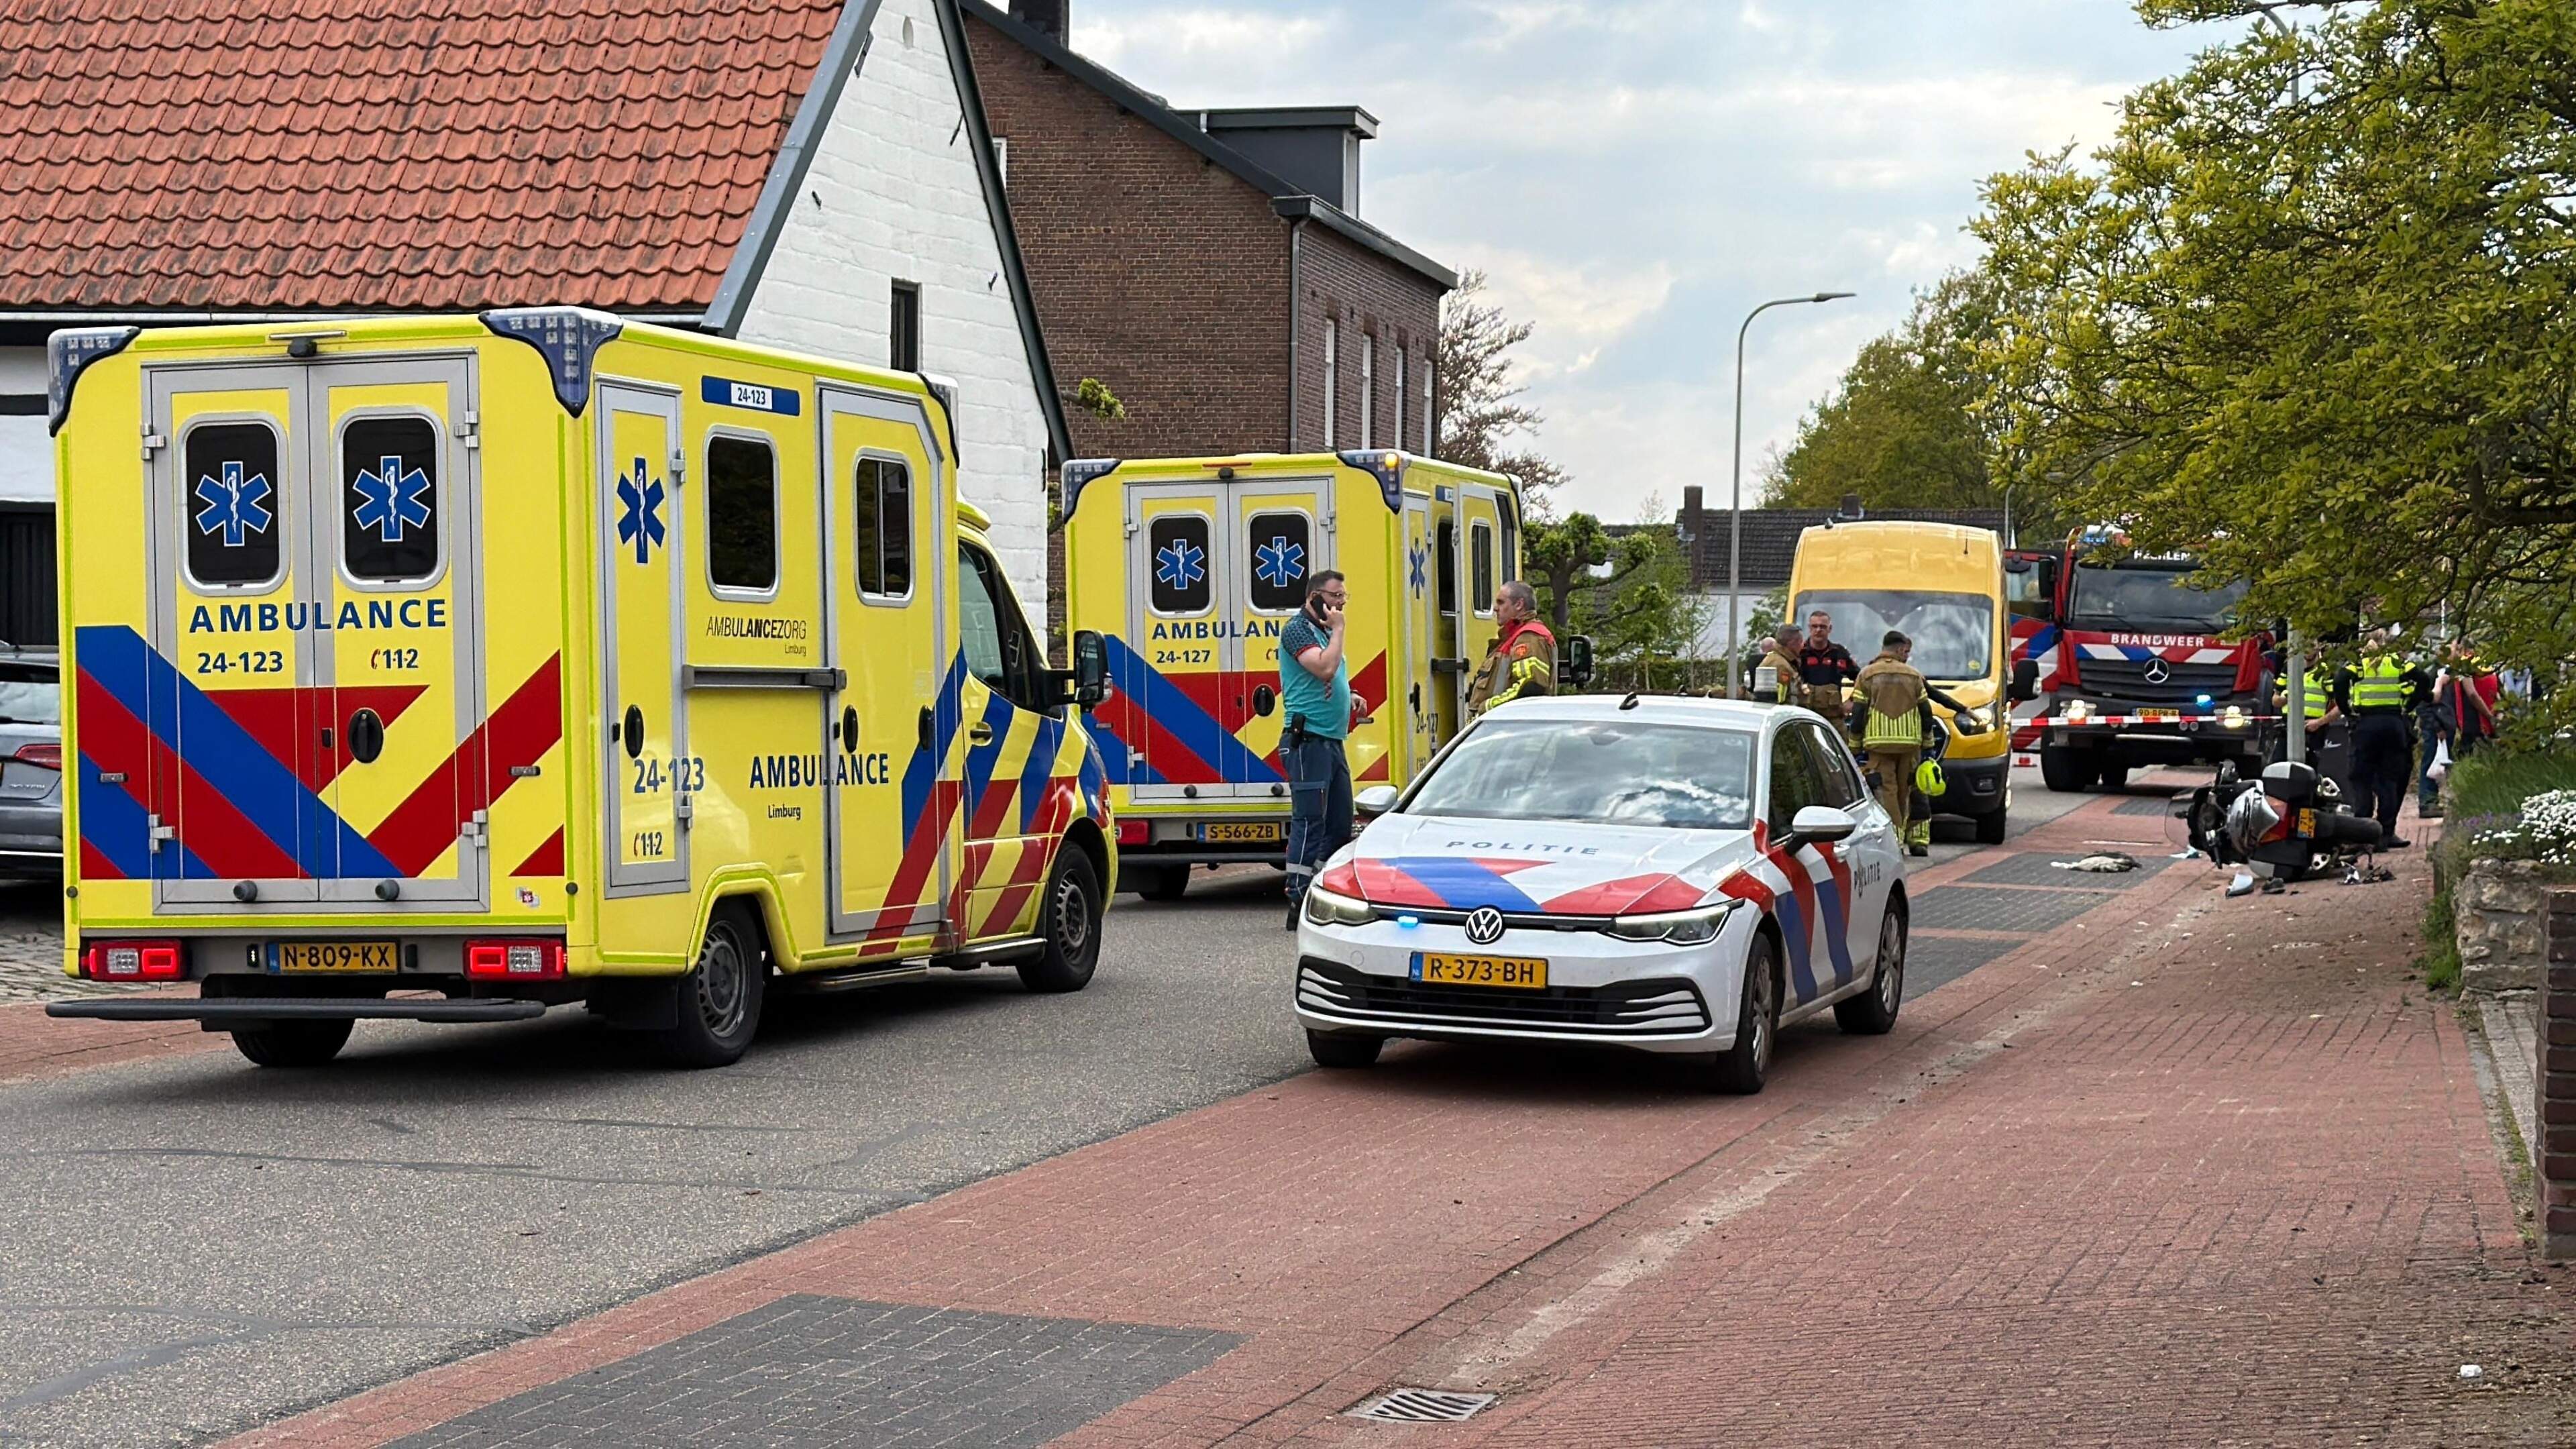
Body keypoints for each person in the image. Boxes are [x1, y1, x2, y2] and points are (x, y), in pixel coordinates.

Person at [1850, 629, 1979, 857]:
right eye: (1907, 652)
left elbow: (1858, 713)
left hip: (1878, 745)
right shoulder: (1913, 675)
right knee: (1906, 791)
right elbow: (1927, 711)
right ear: (1900, 650)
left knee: (1887, 791)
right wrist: (1928, 744)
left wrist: (1855, 746)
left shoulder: (1867, 675)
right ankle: (1915, 838)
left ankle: (1895, 839)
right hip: (1910, 744)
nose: (1908, 656)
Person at [1279, 570, 1356, 928]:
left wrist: (1351, 697)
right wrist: (1339, 630)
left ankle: (1320, 885)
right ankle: (1298, 894)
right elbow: (1324, 669)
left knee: (1341, 821)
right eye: (1336, 596)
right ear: (1314, 596)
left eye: (1343, 597)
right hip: (1307, 740)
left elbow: (1335, 677)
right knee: (1309, 821)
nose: (1341, 603)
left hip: (1331, 740)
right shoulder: (1296, 630)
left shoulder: (1325, 632)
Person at [2335, 632, 2434, 849]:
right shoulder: (2397, 663)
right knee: (2389, 781)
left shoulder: (2359, 664)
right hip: (2393, 725)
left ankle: (2363, 833)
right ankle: (2385, 833)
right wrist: (2407, 707)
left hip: (2366, 725)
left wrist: (2347, 710)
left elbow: (2340, 681)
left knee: (2360, 777)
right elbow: (2424, 680)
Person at [1466, 580, 1557, 714]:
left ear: (1519, 604)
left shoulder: (1529, 637)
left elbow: (1530, 687)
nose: (1496, 608)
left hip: (1512, 727)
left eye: (1501, 602)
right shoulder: (1512, 638)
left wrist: (1486, 708)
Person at [1795, 610, 1860, 722]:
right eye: (1815, 626)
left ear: (1830, 629)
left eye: (1823, 627)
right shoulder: (1799, 653)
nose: (1818, 630)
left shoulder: (1839, 653)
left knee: (1842, 740)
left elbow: (1862, 679)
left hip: (1833, 718)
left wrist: (1852, 701)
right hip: (1804, 717)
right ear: (1809, 628)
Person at [1753, 625, 1802, 705]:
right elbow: (1780, 700)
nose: (1802, 646)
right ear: (1792, 644)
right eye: (1801, 642)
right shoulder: (1780, 665)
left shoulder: (1782, 660)